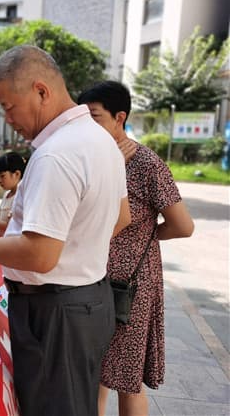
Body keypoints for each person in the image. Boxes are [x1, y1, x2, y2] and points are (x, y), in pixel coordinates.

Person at [0, 45, 131, 416]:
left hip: (56, 311)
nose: (8, 119)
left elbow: (41, 255)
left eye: (9, 106)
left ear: (41, 91)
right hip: (88, 301)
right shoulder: (101, 139)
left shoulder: (56, 153)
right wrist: (72, 246)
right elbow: (120, 217)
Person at [78, 81, 194, 416]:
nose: (88, 128)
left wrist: (146, 234)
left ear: (120, 117)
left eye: (95, 118)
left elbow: (183, 225)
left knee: (127, 381)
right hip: (92, 278)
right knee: (96, 374)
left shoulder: (146, 164)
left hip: (130, 286)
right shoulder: (93, 158)